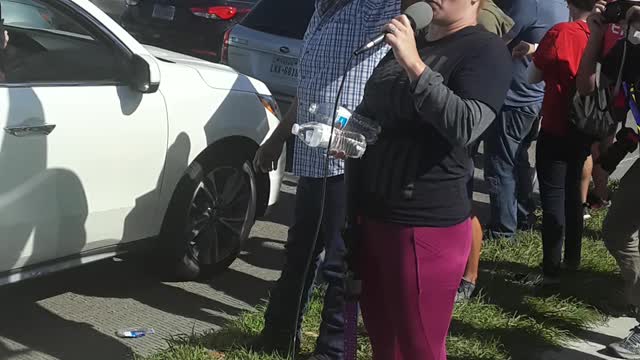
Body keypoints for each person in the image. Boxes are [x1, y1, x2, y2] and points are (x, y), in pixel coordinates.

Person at [345, 0, 512, 357]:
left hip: (424, 222)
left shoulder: (486, 50)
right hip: (374, 212)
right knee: (383, 344)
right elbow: (372, 107)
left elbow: (466, 125)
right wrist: (348, 136)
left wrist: (414, 65)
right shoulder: (413, 41)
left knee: (419, 347)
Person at [251, 0, 399, 358]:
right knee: (299, 250)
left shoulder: (371, 9)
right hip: (313, 155)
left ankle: (335, 350)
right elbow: (309, 88)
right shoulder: (318, 12)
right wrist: (275, 140)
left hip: (349, 159)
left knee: (341, 263)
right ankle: (279, 337)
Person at [577, 1, 640, 357]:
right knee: (617, 229)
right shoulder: (629, 50)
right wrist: (596, 38)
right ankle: (637, 299)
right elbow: (586, 88)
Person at [484, 0, 569, 239]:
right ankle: (523, 214)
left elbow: (497, 38)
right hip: (534, 92)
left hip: (514, 96)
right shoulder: (559, 3)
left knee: (500, 164)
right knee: (518, 158)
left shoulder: (528, 3)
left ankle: (502, 230)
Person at [526, 0, 597, 285]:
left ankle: (551, 267)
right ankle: (573, 258)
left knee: (553, 196)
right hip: (586, 125)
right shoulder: (600, 36)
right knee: (573, 195)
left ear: (569, 2)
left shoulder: (561, 32)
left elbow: (533, 77)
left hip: (556, 123)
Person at [455, 0, 515, 302]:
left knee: (462, 202)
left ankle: (469, 275)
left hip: (458, 127)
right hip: (444, 123)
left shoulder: (483, 18)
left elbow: (480, 80)